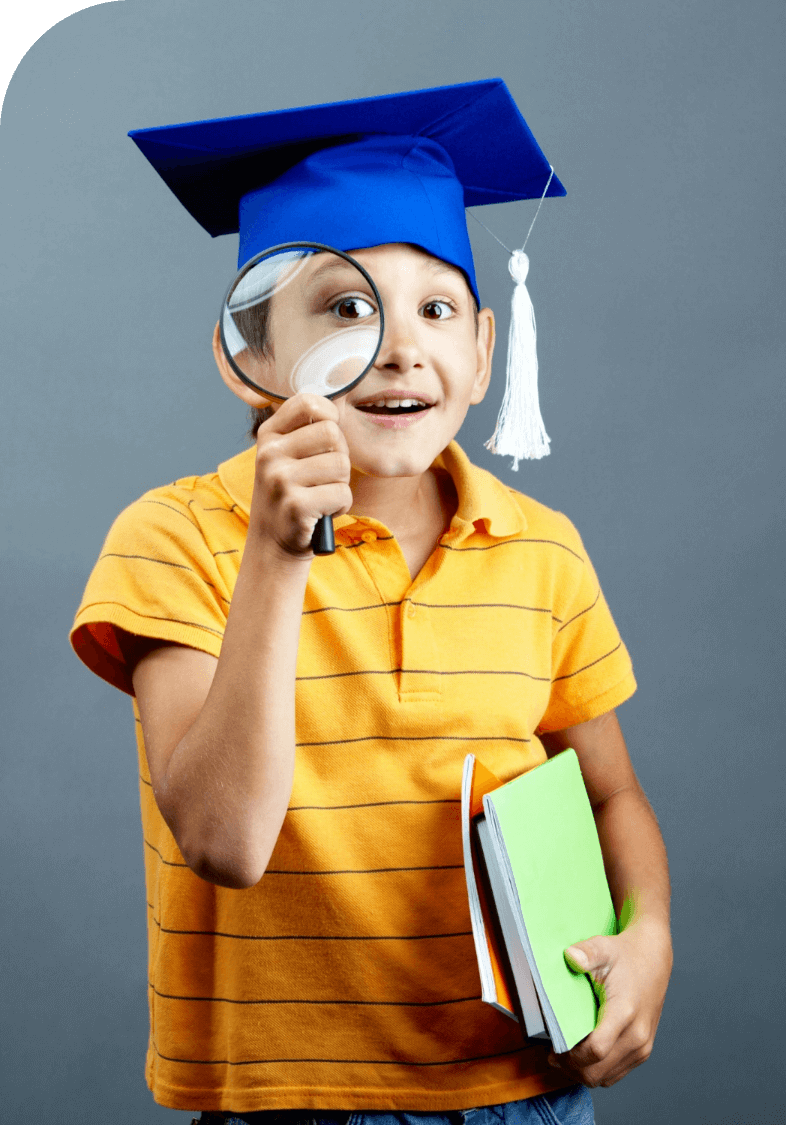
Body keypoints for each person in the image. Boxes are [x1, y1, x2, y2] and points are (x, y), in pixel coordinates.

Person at [70, 79, 672, 1125]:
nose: (399, 346)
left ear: (483, 352)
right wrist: (276, 553)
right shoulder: (175, 540)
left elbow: (609, 794)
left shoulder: (543, 551)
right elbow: (223, 840)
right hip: (291, 1101)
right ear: (251, 357)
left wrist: (651, 936)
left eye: (436, 311)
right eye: (348, 310)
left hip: (525, 1089)